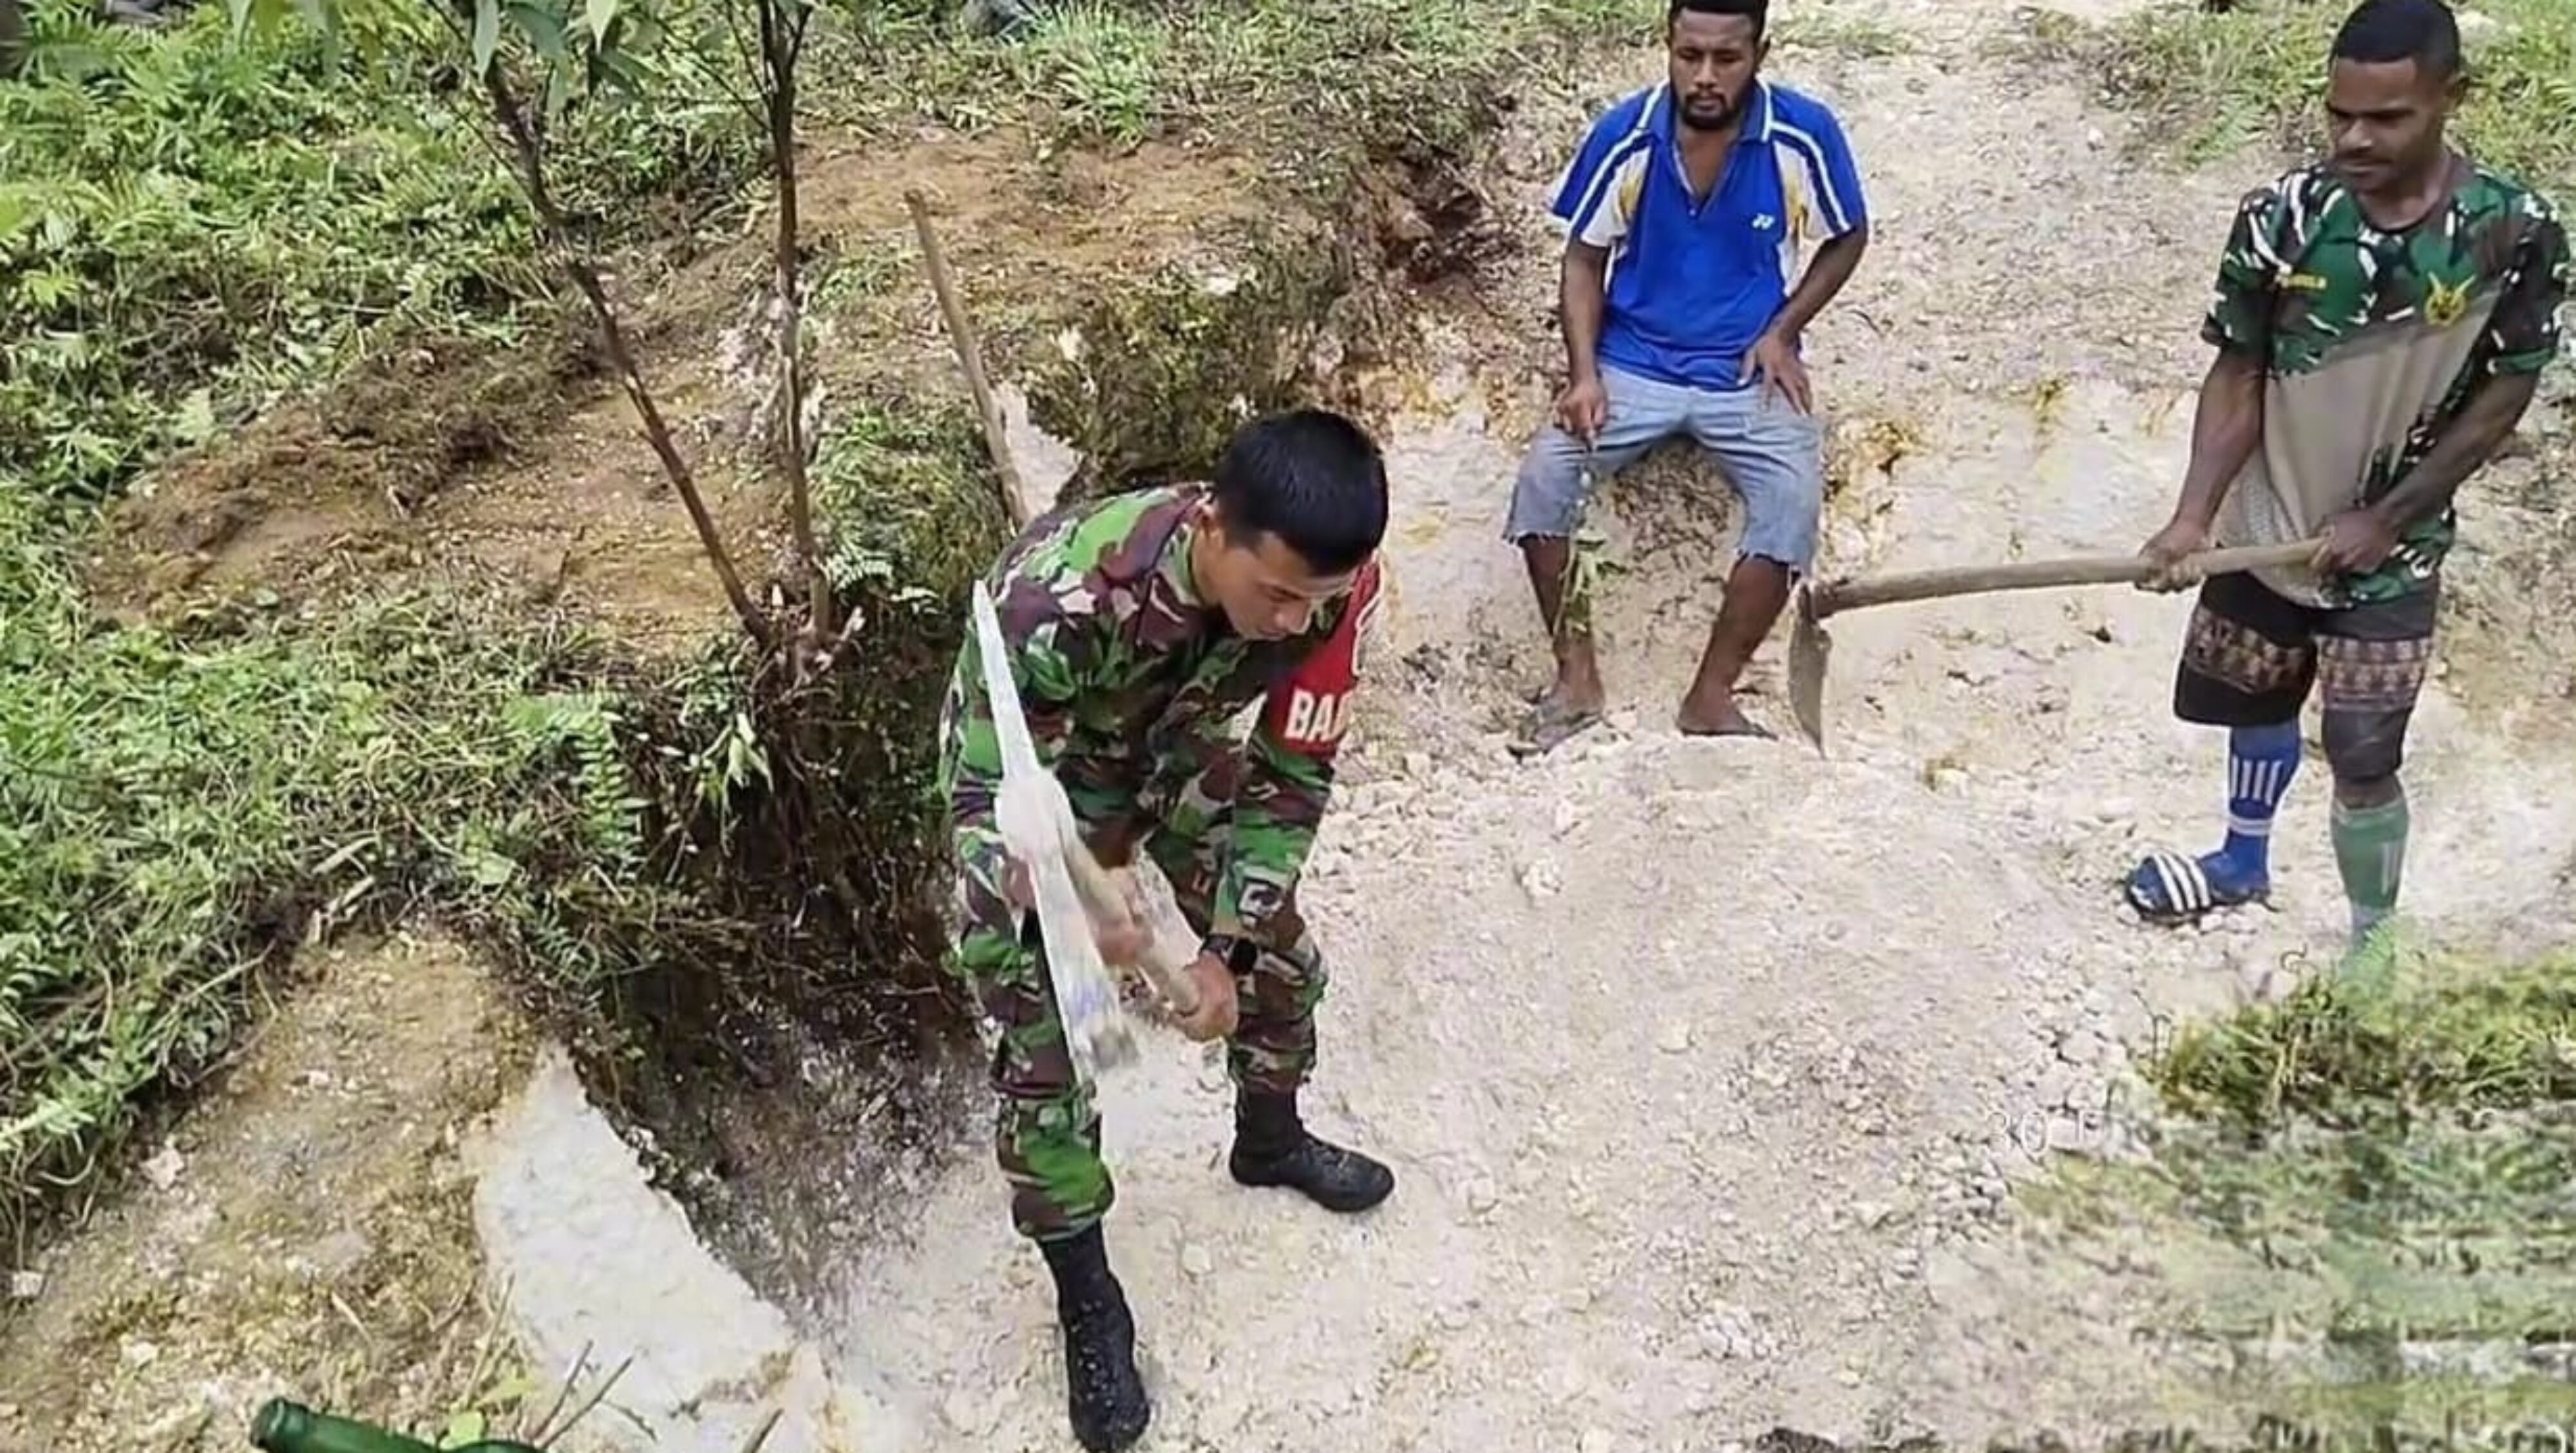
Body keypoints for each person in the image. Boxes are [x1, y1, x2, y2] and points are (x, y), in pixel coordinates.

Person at [934, 408, 1396, 1452]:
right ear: (1213, 528)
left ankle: (1269, 1140)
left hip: (1172, 753)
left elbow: (1291, 775)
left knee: (1285, 965)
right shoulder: (1052, 603)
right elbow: (985, 803)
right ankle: (1087, 1297)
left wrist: (1225, 952)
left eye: (1314, 600)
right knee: (1045, 1069)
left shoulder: (1333, 591)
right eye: (1274, 592)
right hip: (1033, 795)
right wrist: (1064, 901)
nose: (1291, 621)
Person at [2123, 0, 2568, 975]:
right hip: (2264, 525)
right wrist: (2194, 514)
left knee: (2366, 751)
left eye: (2387, 118)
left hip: (2393, 553)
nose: (2354, 138)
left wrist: (2392, 516)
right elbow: (2238, 370)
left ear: (2452, 99)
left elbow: (2510, 384)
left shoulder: (2513, 231)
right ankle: (2242, 861)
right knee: (2252, 701)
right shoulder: (2283, 216)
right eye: (2340, 116)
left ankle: (2371, 950)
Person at [1504, 0, 1870, 754]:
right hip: (1633, 360)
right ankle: (1576, 683)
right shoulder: (1627, 133)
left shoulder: (1802, 134)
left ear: (1760, 53)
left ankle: (1711, 696)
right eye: (1688, 55)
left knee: (1791, 505)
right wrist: (1583, 375)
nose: (1704, 77)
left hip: (1746, 371)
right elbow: (1583, 258)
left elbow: (1848, 235)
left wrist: (1783, 330)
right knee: (1544, 479)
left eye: (1726, 59)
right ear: (1667, 46)